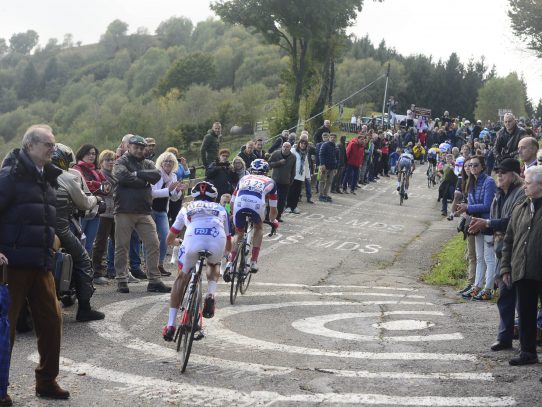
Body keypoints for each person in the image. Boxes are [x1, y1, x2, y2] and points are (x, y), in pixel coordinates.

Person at [0, 124, 69, 401]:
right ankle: (0, 388)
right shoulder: (10, 176)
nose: (53, 149)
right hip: (11, 265)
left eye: (53, 144)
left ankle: (47, 381)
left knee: (52, 322)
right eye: (48, 145)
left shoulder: (48, 177)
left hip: (41, 263)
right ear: (30, 146)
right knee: (6, 329)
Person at [162, 181, 231, 341]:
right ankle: (211, 295)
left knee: (182, 276)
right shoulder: (221, 208)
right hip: (216, 239)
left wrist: (177, 242)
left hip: (193, 239)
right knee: (213, 264)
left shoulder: (186, 208)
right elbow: (228, 239)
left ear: (193, 196)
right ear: (214, 198)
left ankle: (171, 325)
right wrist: (226, 254)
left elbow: (169, 238)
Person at [468, 159, 525, 351]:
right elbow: (494, 218)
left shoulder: (520, 194)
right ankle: (504, 337)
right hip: (503, 250)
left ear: (515, 175)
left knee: (522, 300)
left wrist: (488, 224)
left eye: (504, 172)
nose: (499, 175)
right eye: (498, 172)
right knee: (505, 297)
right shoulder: (499, 194)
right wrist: (486, 225)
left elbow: (512, 222)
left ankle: (526, 344)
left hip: (518, 251)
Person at [51, 143, 106, 321]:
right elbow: (83, 203)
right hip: (61, 228)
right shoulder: (66, 177)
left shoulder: (32, 174)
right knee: (83, 260)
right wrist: (97, 199)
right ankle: (84, 309)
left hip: (33, 227)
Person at [112, 135, 171, 294]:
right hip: (124, 210)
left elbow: (156, 175)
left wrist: (136, 174)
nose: (139, 150)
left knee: (153, 243)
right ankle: (122, 280)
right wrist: (143, 180)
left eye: (141, 147)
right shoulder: (120, 161)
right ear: (128, 147)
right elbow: (122, 176)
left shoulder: (148, 162)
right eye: (136, 147)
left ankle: (154, 280)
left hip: (144, 211)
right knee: (122, 247)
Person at [500, 166, 542, 369]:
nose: (524, 185)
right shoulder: (521, 207)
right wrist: (506, 268)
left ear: (541, 185)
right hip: (523, 269)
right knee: (525, 314)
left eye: (528, 183)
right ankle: (527, 352)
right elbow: (509, 240)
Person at [224, 159, 279, 275]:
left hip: (240, 203)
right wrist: (273, 220)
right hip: (257, 205)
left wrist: (233, 214)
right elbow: (273, 208)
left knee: (238, 233)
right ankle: (253, 261)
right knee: (258, 228)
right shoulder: (270, 181)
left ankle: (230, 263)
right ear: (266, 172)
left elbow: (232, 201)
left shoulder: (243, 178)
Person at [457, 156, 497, 300]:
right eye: (470, 165)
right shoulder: (471, 182)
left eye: (475, 165)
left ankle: (489, 288)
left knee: (489, 257)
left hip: (487, 223)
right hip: (475, 223)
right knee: (479, 257)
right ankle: (477, 286)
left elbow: (487, 205)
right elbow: (472, 204)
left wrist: (467, 207)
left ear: (482, 166)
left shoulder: (489, 181)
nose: (472, 168)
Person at [72, 144, 109, 257]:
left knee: (89, 243)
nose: (92, 156)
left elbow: (106, 185)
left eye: (94, 153)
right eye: (89, 153)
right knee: (78, 242)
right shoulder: (76, 168)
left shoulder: (95, 170)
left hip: (95, 210)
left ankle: (86, 270)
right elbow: (82, 185)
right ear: (82, 154)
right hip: (82, 210)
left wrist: (99, 186)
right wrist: (98, 185)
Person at [151, 151, 184, 277]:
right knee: (151, 239)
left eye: (170, 161)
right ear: (161, 162)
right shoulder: (157, 174)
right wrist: (168, 190)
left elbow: (174, 198)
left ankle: (159, 265)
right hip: (151, 209)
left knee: (166, 238)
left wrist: (178, 191)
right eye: (165, 161)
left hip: (163, 210)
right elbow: (152, 193)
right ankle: (150, 266)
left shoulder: (174, 176)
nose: (168, 163)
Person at [92, 149, 117, 281]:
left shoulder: (114, 175)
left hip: (115, 213)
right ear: (101, 162)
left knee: (117, 242)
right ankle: (97, 272)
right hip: (104, 213)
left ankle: (112, 270)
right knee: (100, 243)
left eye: (112, 159)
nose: (110, 162)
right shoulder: (100, 175)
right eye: (107, 159)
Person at [268, 142, 296, 221]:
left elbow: (293, 170)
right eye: (284, 146)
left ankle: (278, 216)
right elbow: (269, 164)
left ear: (290, 148)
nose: (285, 148)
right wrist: (278, 163)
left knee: (282, 201)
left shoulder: (293, 157)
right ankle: (269, 215)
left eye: (287, 147)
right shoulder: (276, 154)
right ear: (282, 146)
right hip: (275, 181)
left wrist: (291, 180)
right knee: (272, 199)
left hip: (285, 182)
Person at [287, 138, 311, 214]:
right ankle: (289, 206)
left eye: (304, 144)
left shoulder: (305, 154)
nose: (303, 145)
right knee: (291, 191)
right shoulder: (293, 151)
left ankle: (294, 206)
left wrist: (308, 176)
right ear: (299, 143)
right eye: (301, 143)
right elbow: (288, 161)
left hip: (300, 176)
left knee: (297, 192)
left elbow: (306, 165)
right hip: (293, 174)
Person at [318, 133, 338, 202]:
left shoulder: (335, 146)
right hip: (325, 166)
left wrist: (335, 168)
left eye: (334, 137)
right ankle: (321, 195)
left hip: (332, 167)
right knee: (322, 180)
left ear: (336, 139)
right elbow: (321, 154)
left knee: (329, 182)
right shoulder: (325, 145)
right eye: (331, 137)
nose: (332, 138)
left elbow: (336, 158)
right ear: (329, 138)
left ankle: (325, 194)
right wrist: (322, 164)